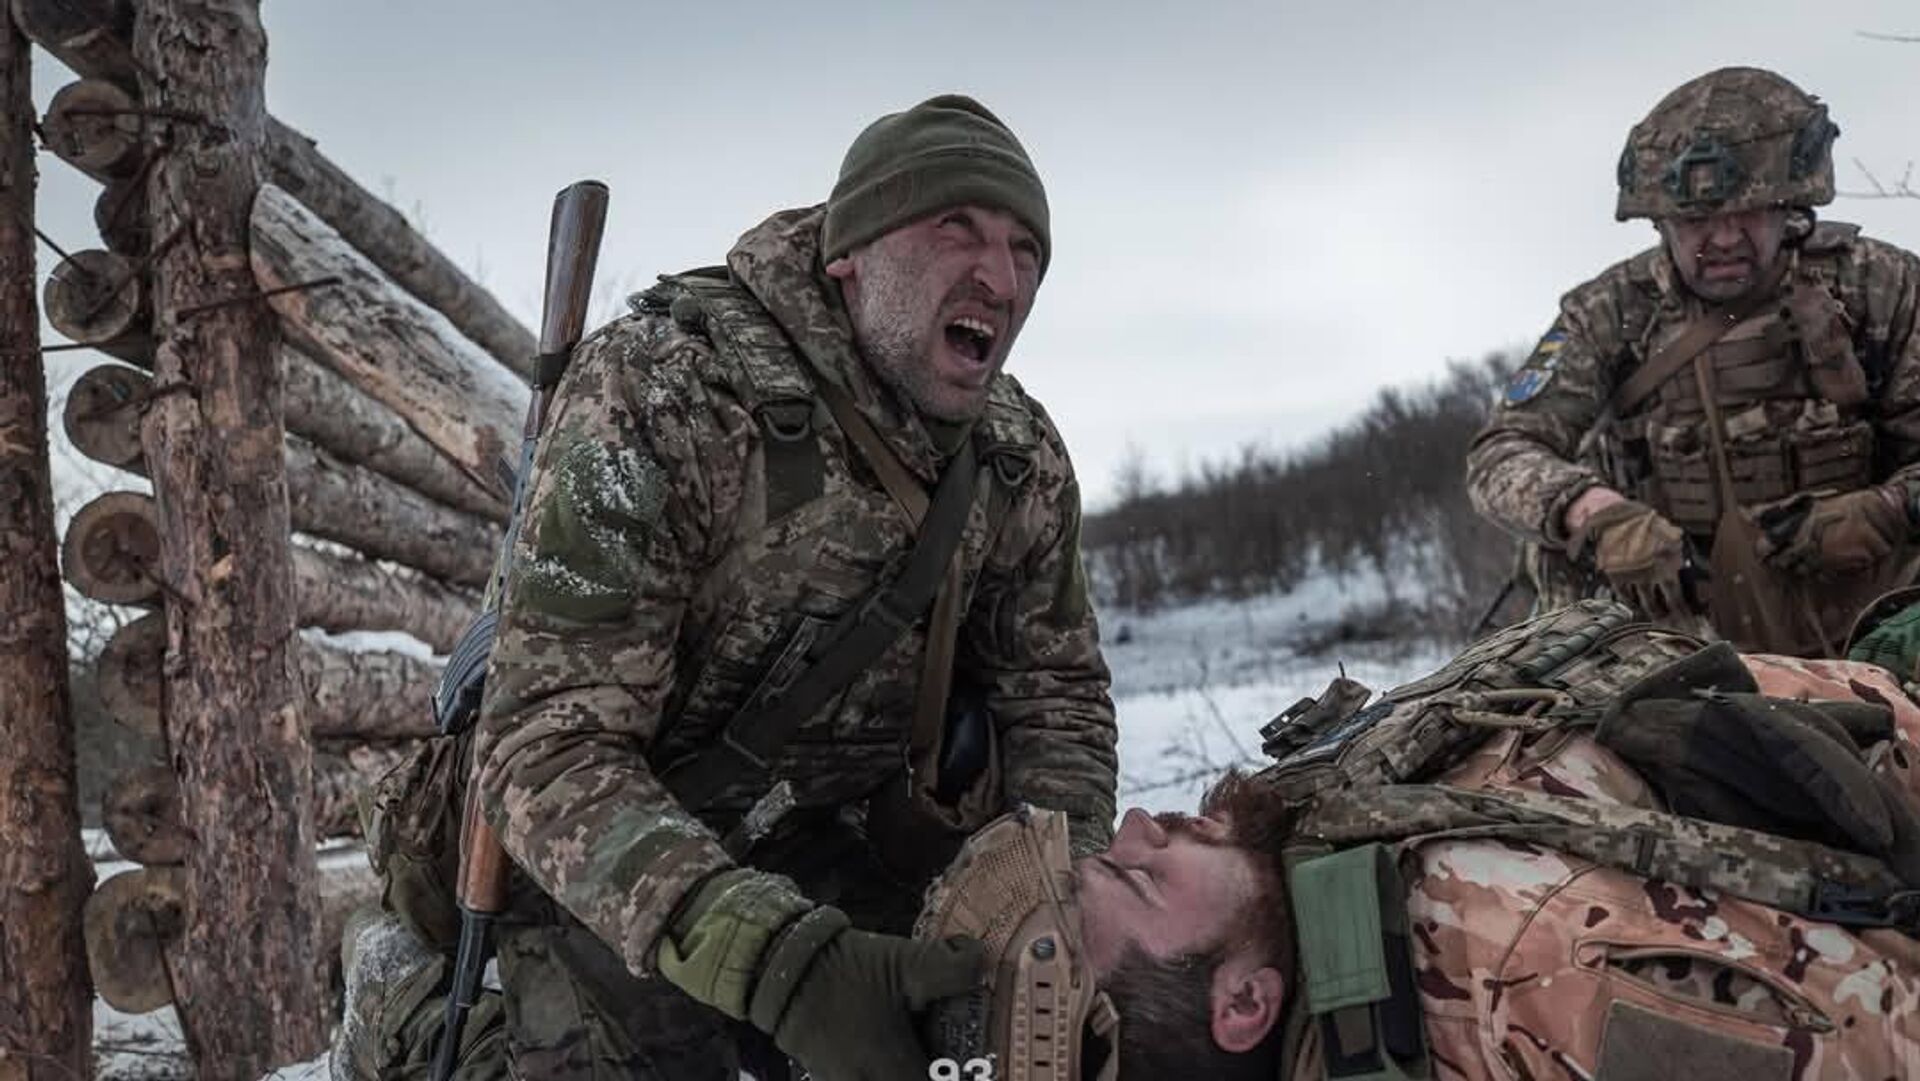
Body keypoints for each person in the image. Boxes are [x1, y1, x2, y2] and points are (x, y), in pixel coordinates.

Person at [340, 94, 1118, 1081]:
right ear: (852, 253)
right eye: (955, 227)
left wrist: (1047, 908)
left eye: (1025, 251)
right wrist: (784, 965)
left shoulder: (1017, 457)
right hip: (595, 861)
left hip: (824, 854)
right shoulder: (670, 386)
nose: (1000, 278)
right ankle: (395, 990)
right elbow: (544, 747)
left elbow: (1059, 703)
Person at [1071, 643, 1920, 1081]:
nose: (1141, 821)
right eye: (1142, 876)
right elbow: (1886, 1041)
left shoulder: (1312, 844)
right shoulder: (1516, 976)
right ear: (1247, 1000)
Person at [1466, 67, 1920, 656]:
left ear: (1789, 206)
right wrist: (1596, 514)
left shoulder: (1880, 286)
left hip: (1872, 616)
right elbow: (1501, 454)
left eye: (1747, 213)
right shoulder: (1612, 313)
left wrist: (1884, 511)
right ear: (1660, 222)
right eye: (1698, 221)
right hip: (1672, 632)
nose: (1725, 238)